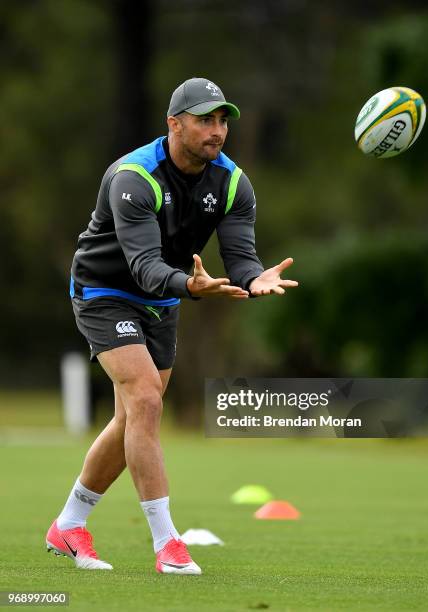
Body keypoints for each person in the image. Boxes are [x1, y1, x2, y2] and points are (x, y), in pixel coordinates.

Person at [45, 77, 298, 575]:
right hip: (105, 290)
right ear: (174, 124)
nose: (217, 130)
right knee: (145, 400)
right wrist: (191, 287)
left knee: (132, 419)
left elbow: (241, 257)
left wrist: (254, 277)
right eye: (205, 119)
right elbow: (144, 266)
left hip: (165, 299)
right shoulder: (133, 177)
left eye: (223, 120)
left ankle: (69, 524)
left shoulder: (232, 183)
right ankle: (168, 544)